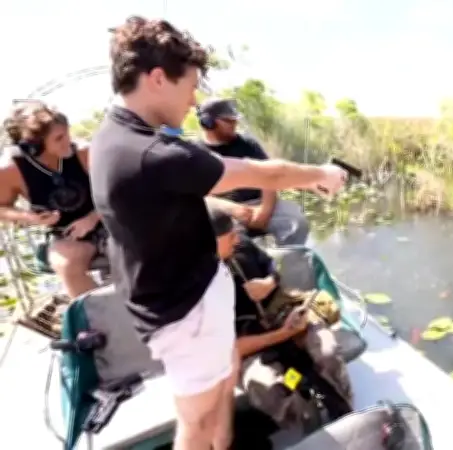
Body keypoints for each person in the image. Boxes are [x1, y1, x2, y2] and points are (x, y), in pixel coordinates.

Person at [89, 16, 348, 450]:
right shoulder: (151, 153)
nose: (194, 100)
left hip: (182, 301)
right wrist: (320, 174)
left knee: (219, 395)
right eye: (190, 86)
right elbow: (261, 172)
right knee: (196, 425)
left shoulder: (113, 137)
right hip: (184, 314)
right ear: (157, 78)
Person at [209, 207, 353, 428]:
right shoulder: (197, 287)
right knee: (267, 389)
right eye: (230, 237)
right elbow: (231, 349)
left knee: (327, 352)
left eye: (235, 233)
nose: (237, 239)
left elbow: (273, 265)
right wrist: (284, 333)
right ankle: (306, 418)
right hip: (249, 344)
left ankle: (344, 405)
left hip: (283, 314)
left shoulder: (241, 245)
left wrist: (269, 283)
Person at [0, 101, 104, 298]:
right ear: (34, 146)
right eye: (59, 138)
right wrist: (28, 217)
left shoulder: (83, 153)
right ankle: (96, 314)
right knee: (65, 263)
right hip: (66, 235)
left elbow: (121, 191)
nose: (68, 141)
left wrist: (93, 217)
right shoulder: (11, 170)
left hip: (108, 219)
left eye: (67, 133)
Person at [194, 98, 310, 245]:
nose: (234, 124)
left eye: (235, 120)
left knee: (297, 221)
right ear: (208, 123)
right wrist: (231, 208)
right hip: (223, 209)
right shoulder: (195, 152)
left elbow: (270, 178)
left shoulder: (248, 144)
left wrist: (264, 212)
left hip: (259, 203)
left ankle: (285, 258)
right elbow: (199, 196)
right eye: (228, 121)